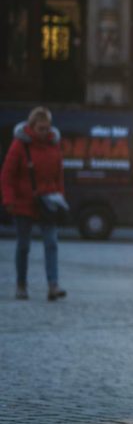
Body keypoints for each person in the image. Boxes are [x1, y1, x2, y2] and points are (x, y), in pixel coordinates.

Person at [2, 106, 67, 301]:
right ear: (31, 127)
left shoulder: (53, 145)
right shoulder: (19, 145)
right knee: (23, 246)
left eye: (47, 128)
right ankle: (21, 285)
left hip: (47, 202)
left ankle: (53, 285)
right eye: (41, 128)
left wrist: (60, 198)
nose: (45, 132)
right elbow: (7, 175)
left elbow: (59, 176)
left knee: (52, 243)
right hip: (23, 203)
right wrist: (9, 200)